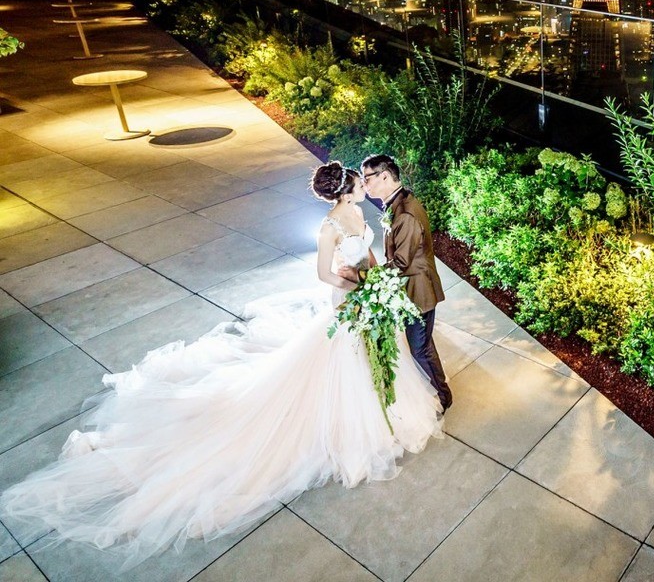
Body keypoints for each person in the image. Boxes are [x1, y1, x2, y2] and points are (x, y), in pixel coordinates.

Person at [0, 161, 442, 566]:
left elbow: (368, 253)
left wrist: (373, 273)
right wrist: (356, 280)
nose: (366, 187)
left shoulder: (359, 216)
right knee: (338, 363)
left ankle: (376, 406)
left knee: (368, 357)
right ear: (347, 191)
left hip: (366, 296)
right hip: (346, 300)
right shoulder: (328, 227)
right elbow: (325, 273)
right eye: (360, 182)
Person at [354, 154, 452, 410]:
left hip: (419, 291)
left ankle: (442, 397)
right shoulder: (398, 203)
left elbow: (401, 262)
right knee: (423, 344)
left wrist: (370, 279)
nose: (365, 185)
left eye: (367, 178)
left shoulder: (405, 213)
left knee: (420, 349)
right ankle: (438, 391)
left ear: (384, 176)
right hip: (412, 289)